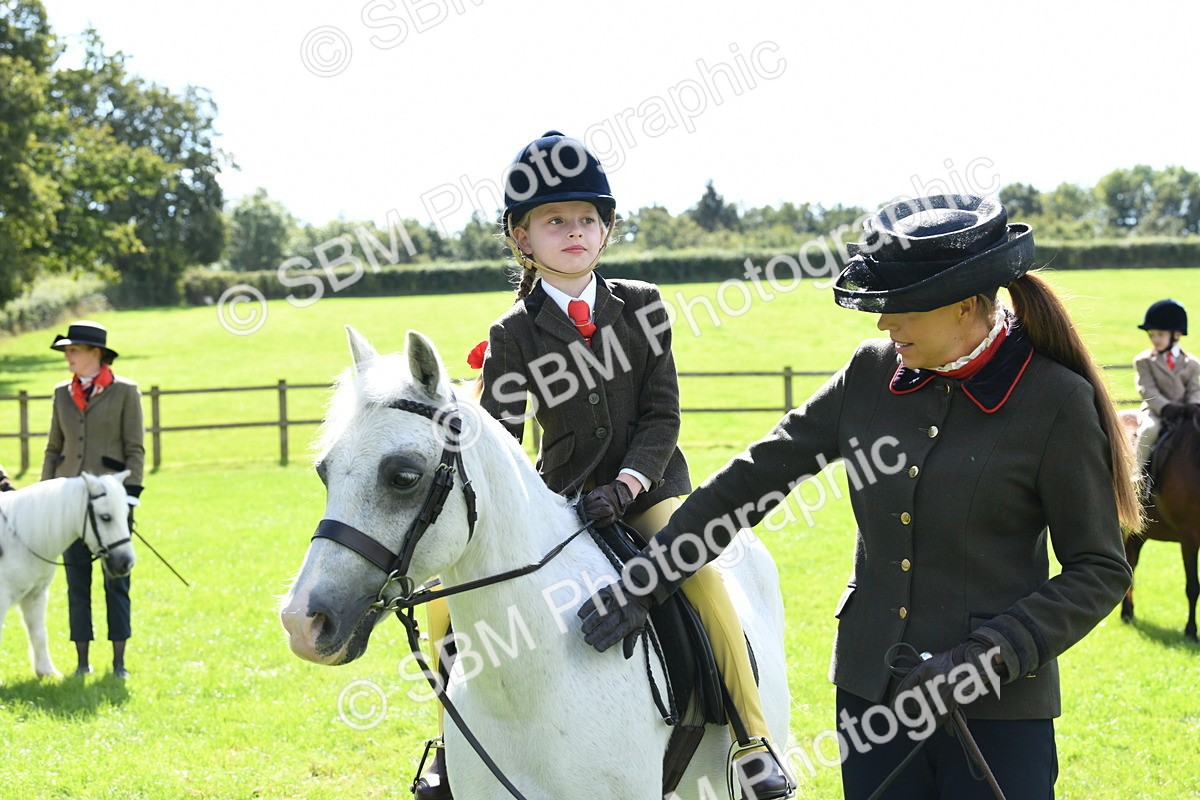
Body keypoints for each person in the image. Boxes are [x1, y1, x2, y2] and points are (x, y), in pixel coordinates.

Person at [578, 194, 1139, 799]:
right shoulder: (869, 374)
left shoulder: (1054, 400)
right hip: (874, 704)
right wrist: (651, 576)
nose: (883, 324)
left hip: (1000, 713)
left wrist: (989, 655)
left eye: (901, 309)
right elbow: (756, 477)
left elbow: (1097, 568)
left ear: (965, 306)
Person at [411, 131, 792, 800]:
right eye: (555, 220)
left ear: (607, 228)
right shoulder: (513, 333)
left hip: (649, 487)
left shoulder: (642, 305)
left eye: (588, 218)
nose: (575, 231)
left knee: (701, 576)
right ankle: (447, 743)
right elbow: (500, 436)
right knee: (446, 604)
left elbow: (662, 415)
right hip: (561, 495)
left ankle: (752, 740)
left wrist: (627, 485)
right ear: (522, 238)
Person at [42, 320, 144, 679]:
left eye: (73, 350)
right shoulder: (60, 393)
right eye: (67, 351)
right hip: (69, 505)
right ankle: (82, 662)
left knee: (116, 582)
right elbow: (54, 448)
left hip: (112, 505)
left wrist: (129, 499)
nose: (67, 356)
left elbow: (135, 450)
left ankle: (119, 663)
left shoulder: (125, 392)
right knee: (76, 582)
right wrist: (45, 495)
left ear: (95, 353)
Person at [1132, 299, 1200, 487]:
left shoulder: (1192, 363)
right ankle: (1136, 478)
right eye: (1152, 335)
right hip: (1156, 411)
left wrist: (1195, 404)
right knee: (1149, 430)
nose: (1155, 339)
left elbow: (1194, 388)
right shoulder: (1144, 361)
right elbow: (1146, 388)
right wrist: (1165, 406)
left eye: (1160, 335)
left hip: (1185, 412)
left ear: (1176, 334)